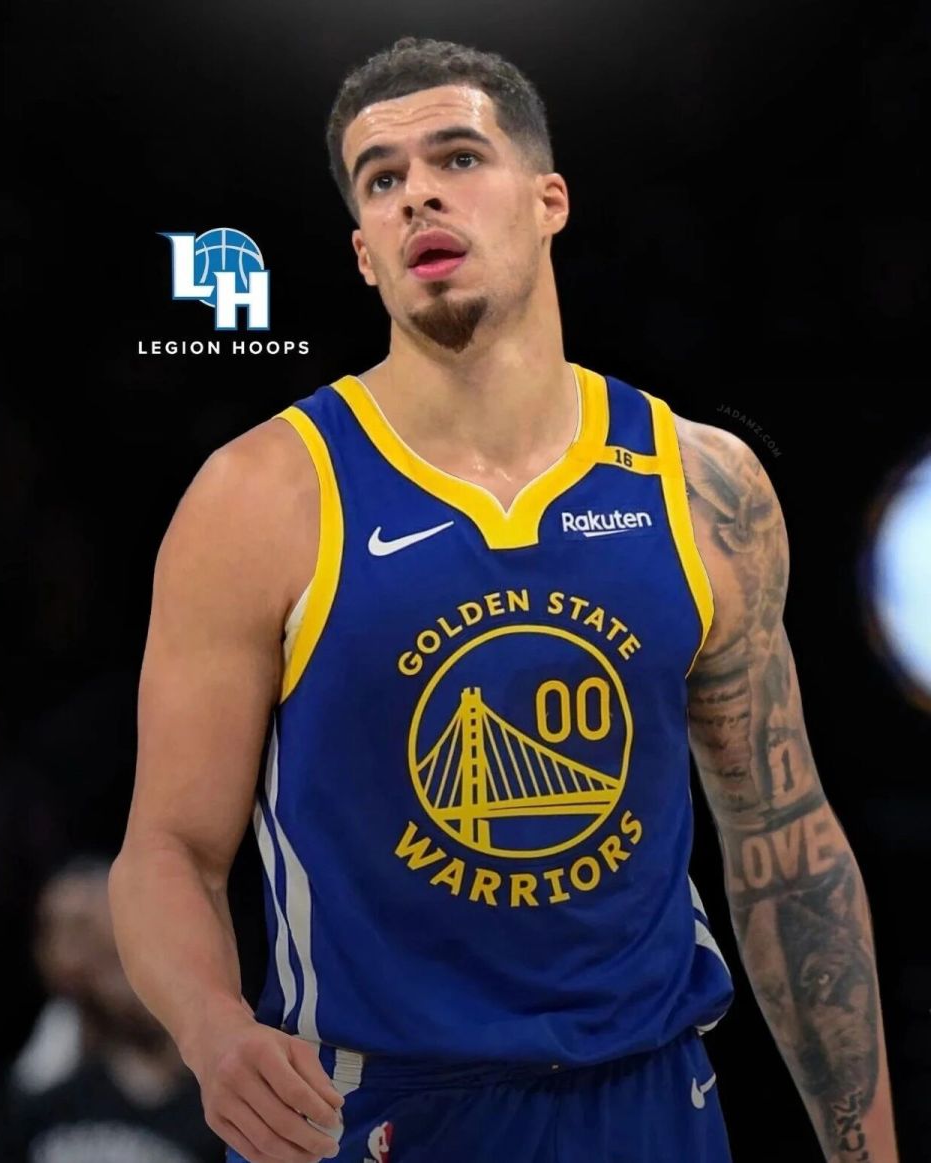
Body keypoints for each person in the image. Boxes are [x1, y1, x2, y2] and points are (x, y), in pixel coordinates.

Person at [108, 35, 899, 1163]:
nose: (418, 193)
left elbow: (787, 847)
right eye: (382, 179)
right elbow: (168, 851)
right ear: (365, 253)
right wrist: (213, 1027)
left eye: (459, 157)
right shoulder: (260, 496)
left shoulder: (699, 482)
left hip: (649, 1101)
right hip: (373, 1112)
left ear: (548, 200)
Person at [0, 856, 223, 1163]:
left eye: (82, 927)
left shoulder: (199, 1051)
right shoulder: (39, 1071)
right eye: (55, 930)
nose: (71, 948)